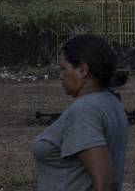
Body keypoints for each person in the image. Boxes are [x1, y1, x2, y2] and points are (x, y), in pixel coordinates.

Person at [32, 34, 129, 191]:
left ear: (82, 69)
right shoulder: (110, 101)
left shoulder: (84, 111)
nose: (60, 76)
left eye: (64, 68)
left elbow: (106, 183)